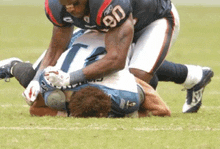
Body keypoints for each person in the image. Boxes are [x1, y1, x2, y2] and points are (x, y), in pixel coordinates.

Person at [20, 0, 213, 113]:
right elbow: (56, 50)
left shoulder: (108, 1)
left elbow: (116, 60)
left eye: (76, 3)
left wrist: (70, 79)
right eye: (66, 6)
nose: (72, 10)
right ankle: (194, 76)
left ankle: (193, 76)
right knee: (93, 66)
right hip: (112, 21)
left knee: (134, 76)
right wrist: (36, 81)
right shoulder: (58, 2)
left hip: (155, 18)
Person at [0, 29, 171, 117]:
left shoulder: (121, 84)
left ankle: (191, 74)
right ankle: (12, 66)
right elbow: (35, 109)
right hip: (78, 39)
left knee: (147, 76)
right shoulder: (54, 82)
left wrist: (63, 114)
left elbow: (162, 110)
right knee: (33, 80)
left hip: (115, 40)